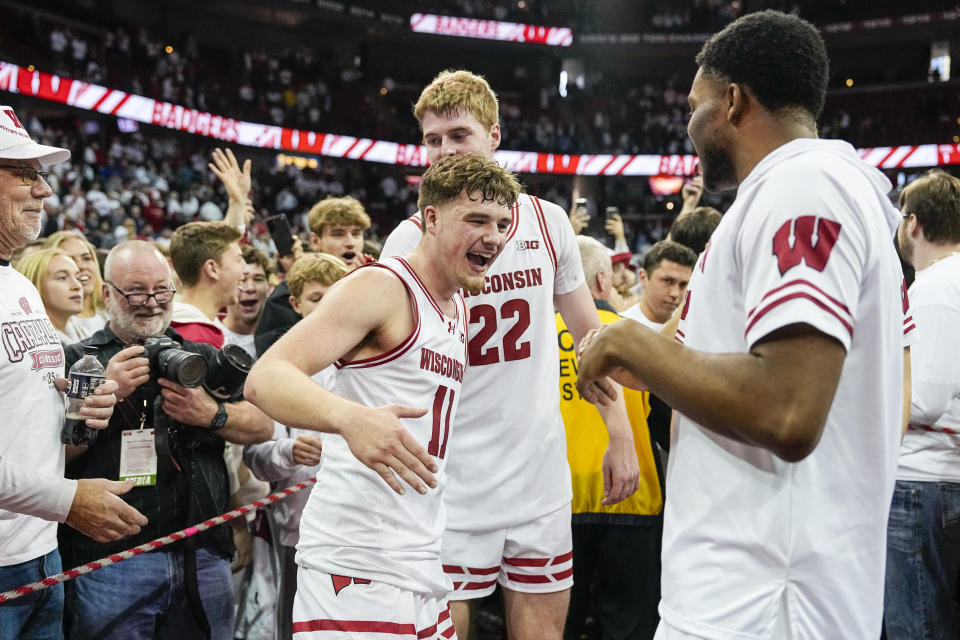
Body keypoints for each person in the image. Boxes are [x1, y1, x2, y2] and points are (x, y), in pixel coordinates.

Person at [575, 12, 914, 639]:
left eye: (695, 105)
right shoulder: (820, 190)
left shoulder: (802, 186)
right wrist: (649, 361)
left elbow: (787, 410)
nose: (688, 125)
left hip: (763, 600)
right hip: (772, 583)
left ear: (733, 102)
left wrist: (628, 340)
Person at [380, 70, 639, 640]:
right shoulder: (408, 239)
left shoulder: (548, 223)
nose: (443, 152)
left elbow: (591, 340)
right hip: (449, 476)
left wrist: (618, 428)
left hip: (538, 475)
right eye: (432, 140)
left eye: (458, 135)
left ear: (494, 136)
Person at [245, 153, 521, 639]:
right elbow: (266, 377)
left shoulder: (457, 306)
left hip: (419, 555)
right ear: (430, 219)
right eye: (476, 219)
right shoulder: (383, 286)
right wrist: (350, 419)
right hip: (357, 559)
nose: (494, 236)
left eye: (502, 223)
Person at [60, 240, 272, 640]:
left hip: (202, 551)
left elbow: (262, 425)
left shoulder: (200, 355)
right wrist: (105, 393)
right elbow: (53, 456)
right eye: (136, 291)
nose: (151, 302)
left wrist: (212, 414)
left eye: (161, 290)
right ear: (107, 294)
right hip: (112, 559)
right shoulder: (79, 360)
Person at [0, 105, 145, 640]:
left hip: (39, 554)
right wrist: (68, 500)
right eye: (25, 173)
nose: (45, 191)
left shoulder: (16, 284)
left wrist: (71, 405)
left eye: (42, 175)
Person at [560, 236, 663, 640]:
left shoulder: (532, 339)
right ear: (603, 280)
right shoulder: (638, 337)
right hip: (633, 498)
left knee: (554, 626)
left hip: (556, 499)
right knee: (628, 629)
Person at [243, 252, 349, 639]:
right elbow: (255, 457)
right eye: (317, 299)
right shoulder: (280, 370)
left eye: (337, 297)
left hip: (359, 530)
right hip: (298, 532)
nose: (328, 308)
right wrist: (289, 452)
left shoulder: (371, 366)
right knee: (296, 629)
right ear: (296, 304)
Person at [884, 169, 960, 639]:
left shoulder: (933, 289)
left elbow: (924, 400)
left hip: (920, 483)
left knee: (917, 627)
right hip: (942, 479)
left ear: (912, 224)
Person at [255, 195, 374, 355]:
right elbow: (273, 355)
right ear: (316, 241)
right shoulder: (290, 289)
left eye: (356, 233)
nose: (350, 242)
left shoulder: (375, 284)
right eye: (338, 234)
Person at [169, 221, 246, 348]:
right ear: (212, 269)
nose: (244, 270)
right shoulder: (200, 341)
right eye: (238, 260)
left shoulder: (174, 326)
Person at [43, 231, 108, 338]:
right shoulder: (51, 329)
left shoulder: (113, 315)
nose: (81, 266)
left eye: (86, 258)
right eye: (69, 259)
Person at [621, 241, 697, 331]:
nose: (675, 293)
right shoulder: (620, 327)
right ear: (643, 278)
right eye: (667, 281)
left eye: (683, 284)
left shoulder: (692, 328)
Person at [16, 248, 86, 345]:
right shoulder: (30, 343)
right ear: (34, 285)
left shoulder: (82, 331)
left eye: (78, 277)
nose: (77, 286)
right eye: (62, 278)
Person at [218, 245, 273, 359]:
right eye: (242, 280)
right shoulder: (211, 335)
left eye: (258, 279)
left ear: (269, 288)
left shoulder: (280, 341)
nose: (250, 288)